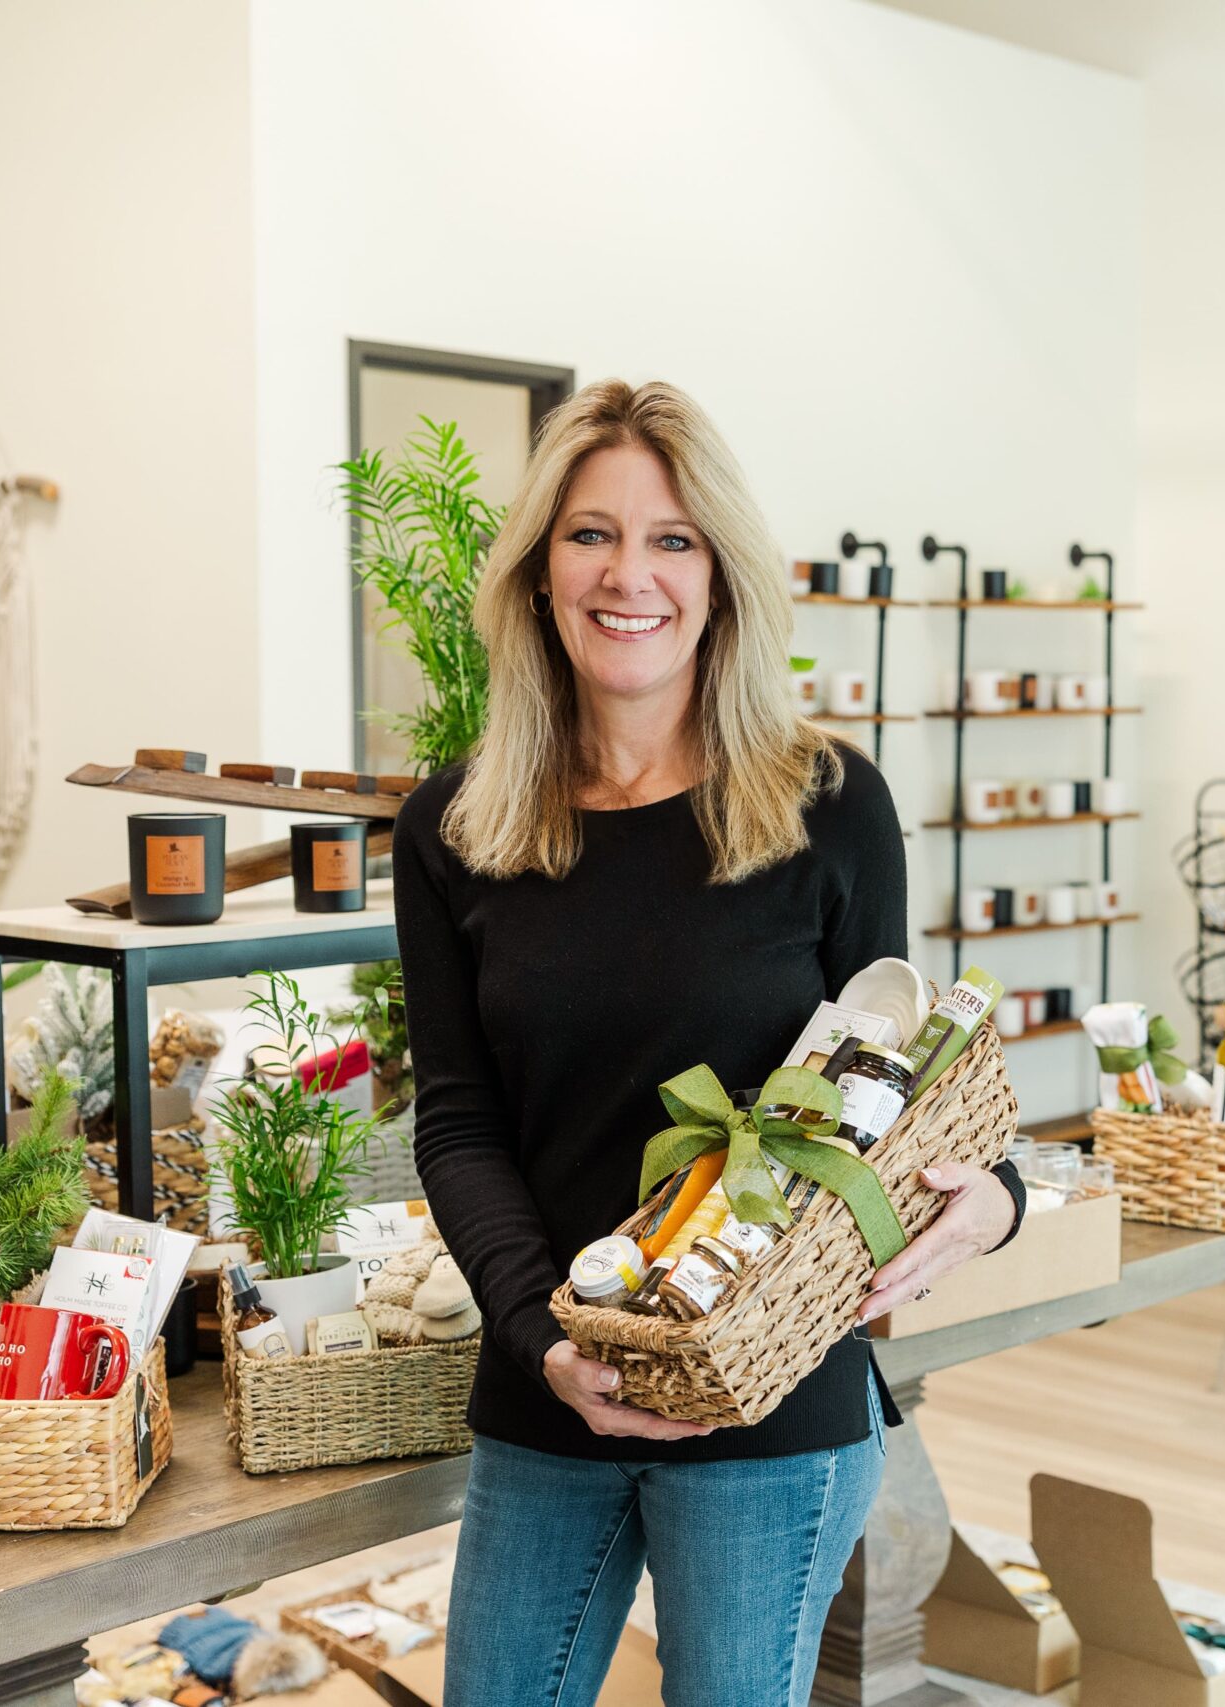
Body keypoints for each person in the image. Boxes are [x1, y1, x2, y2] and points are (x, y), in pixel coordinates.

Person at [393, 378, 1024, 1707]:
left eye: (672, 539)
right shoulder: (456, 826)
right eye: (591, 534)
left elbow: (896, 1085)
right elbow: (457, 1118)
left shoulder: (828, 805)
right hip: (549, 1389)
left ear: (722, 575)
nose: (629, 575)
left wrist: (1000, 1200)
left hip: (772, 1406)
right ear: (539, 572)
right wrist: (543, 1340)